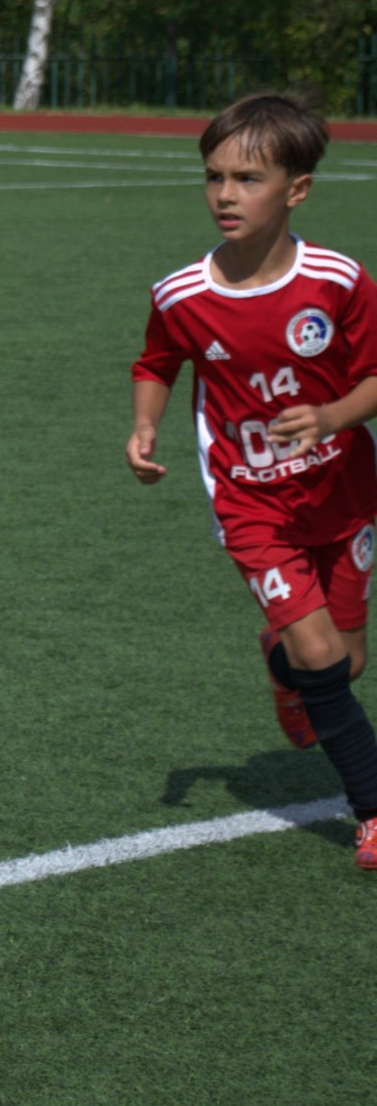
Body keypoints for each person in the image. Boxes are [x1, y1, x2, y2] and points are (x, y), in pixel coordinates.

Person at [127, 91, 377, 871]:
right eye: (214, 177)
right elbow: (156, 361)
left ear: (297, 189)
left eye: (247, 179)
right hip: (251, 500)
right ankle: (373, 812)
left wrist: (332, 415)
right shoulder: (181, 294)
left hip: (344, 493)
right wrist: (144, 425)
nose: (225, 195)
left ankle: (283, 666)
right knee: (323, 656)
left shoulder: (337, 281)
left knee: (344, 659)